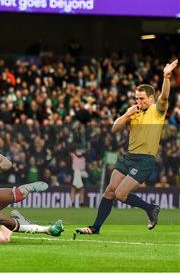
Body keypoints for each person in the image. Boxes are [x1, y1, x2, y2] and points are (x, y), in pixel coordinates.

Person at [76, 59, 178, 235]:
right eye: (136, 98)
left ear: (151, 98)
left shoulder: (157, 110)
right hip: (129, 157)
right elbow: (114, 129)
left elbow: (165, 96)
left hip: (145, 160)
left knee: (121, 194)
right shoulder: (133, 112)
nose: (139, 101)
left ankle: (150, 208)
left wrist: (166, 77)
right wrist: (126, 114)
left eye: (142, 98)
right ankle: (95, 227)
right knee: (110, 190)